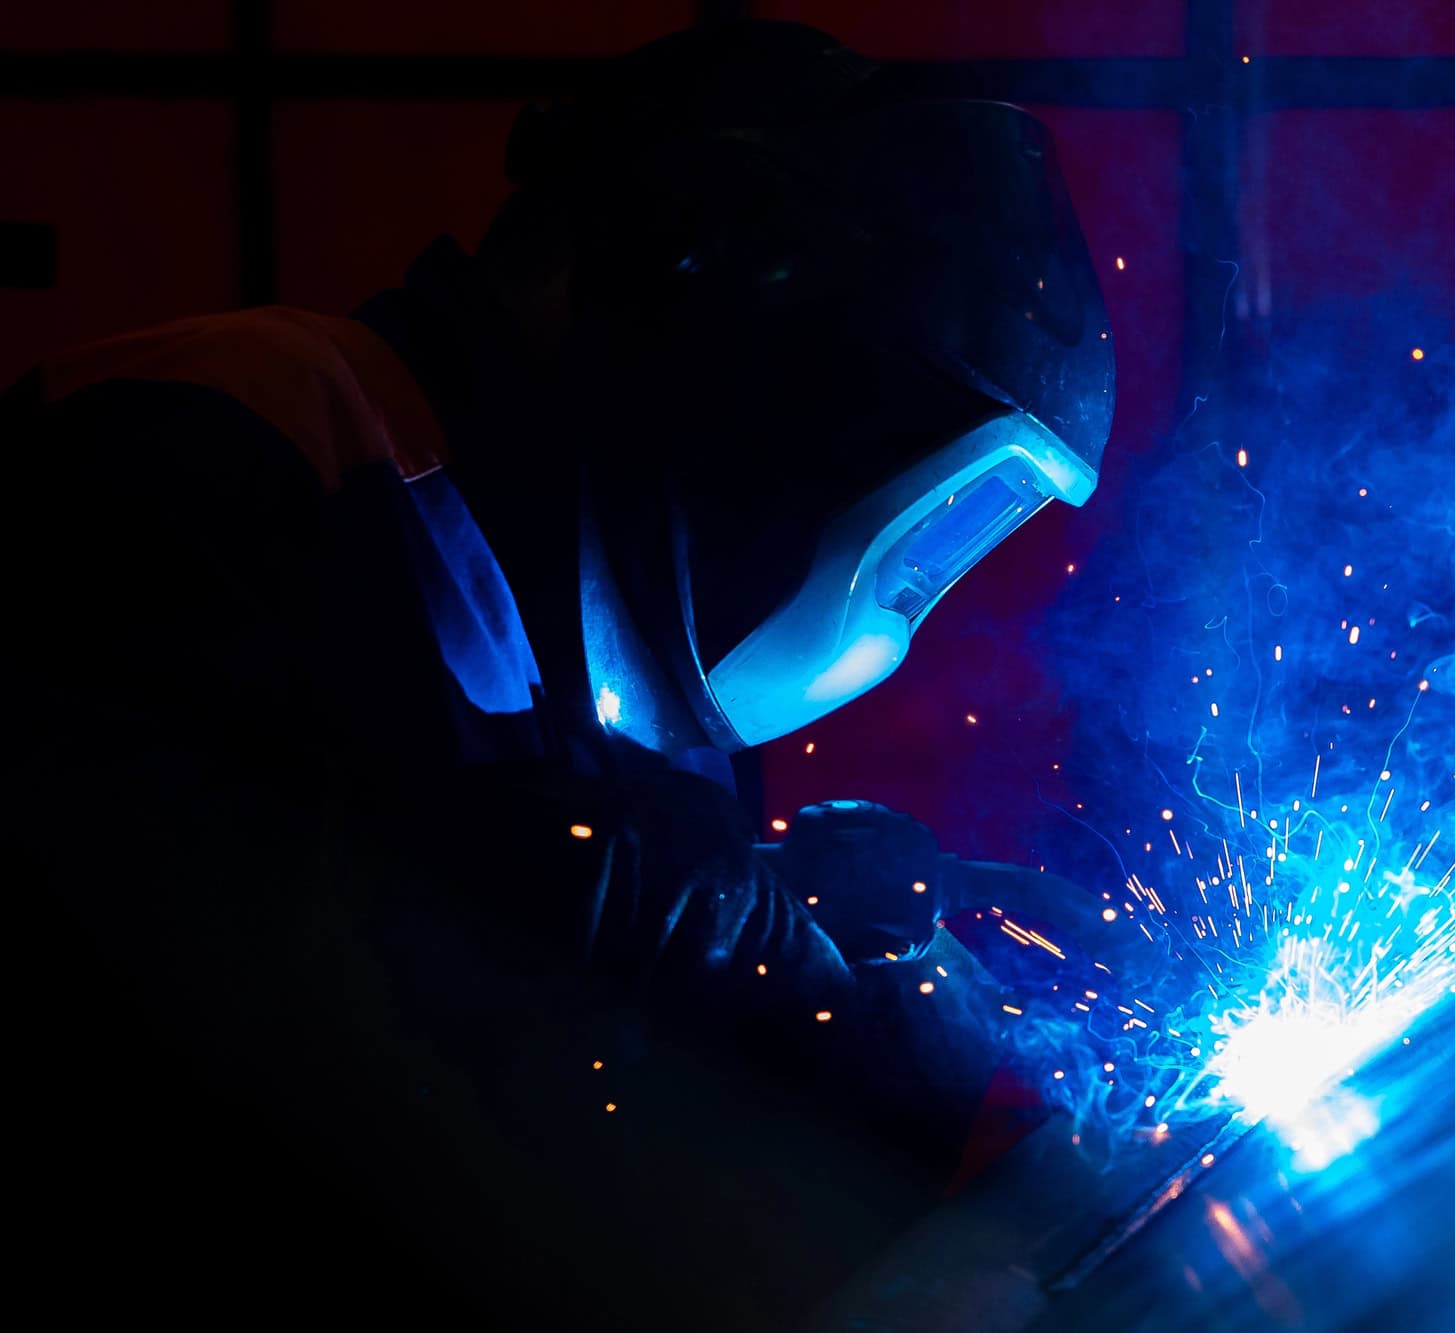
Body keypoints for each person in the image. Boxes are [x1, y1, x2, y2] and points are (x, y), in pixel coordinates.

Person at [2, 21, 1112, 1327]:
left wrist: (866, 1016)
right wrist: (685, 931)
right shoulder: (218, 441)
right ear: (714, 309)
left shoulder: (590, 665)